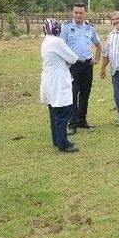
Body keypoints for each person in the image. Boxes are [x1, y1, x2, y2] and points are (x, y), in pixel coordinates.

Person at [60, 3, 101, 134]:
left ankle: (82, 120)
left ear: (85, 13)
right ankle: (72, 124)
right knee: (72, 94)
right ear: (72, 13)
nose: (78, 15)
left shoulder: (89, 28)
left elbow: (98, 44)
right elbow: (61, 47)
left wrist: (96, 58)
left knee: (85, 93)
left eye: (81, 13)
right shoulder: (66, 28)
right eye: (76, 12)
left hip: (87, 65)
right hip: (73, 66)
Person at [40, 19, 80, 153]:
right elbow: (73, 58)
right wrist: (67, 60)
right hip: (57, 81)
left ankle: (57, 140)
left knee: (54, 111)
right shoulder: (57, 41)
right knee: (63, 111)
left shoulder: (46, 40)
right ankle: (63, 144)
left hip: (49, 80)